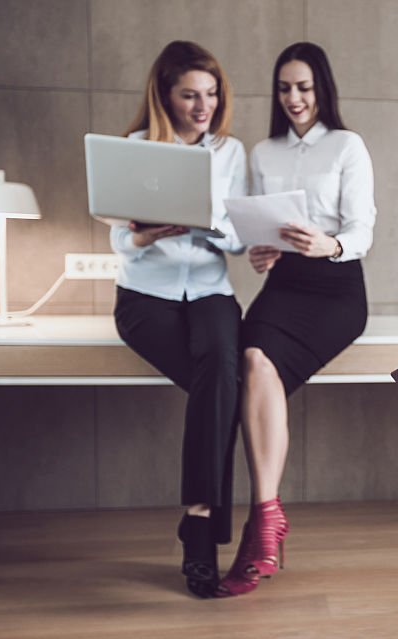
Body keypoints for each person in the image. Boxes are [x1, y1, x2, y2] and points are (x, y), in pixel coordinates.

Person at [215, 41, 376, 597]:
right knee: (253, 361)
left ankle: (259, 532)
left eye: (303, 87)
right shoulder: (263, 152)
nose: (294, 98)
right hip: (283, 284)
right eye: (285, 87)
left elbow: (362, 233)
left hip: (335, 289)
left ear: (321, 88)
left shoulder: (347, 146)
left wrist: (326, 243)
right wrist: (260, 251)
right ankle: (268, 516)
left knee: (259, 371)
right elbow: (256, 225)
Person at [110, 40, 247, 599]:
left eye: (211, 94)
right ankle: (204, 534)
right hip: (146, 295)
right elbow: (121, 239)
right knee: (221, 391)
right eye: (190, 95)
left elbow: (238, 238)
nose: (203, 106)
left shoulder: (230, 152)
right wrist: (147, 232)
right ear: (164, 95)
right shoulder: (136, 147)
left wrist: (207, 219)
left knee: (221, 372)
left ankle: (197, 529)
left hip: (211, 288)